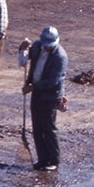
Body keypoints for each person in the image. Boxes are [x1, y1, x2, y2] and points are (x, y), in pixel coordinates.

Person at [21, 26, 69, 171]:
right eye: (45, 45)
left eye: (49, 46)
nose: (46, 48)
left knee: (48, 128)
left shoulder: (60, 56)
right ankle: (42, 159)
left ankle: (53, 161)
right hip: (37, 92)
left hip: (51, 95)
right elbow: (24, 60)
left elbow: (53, 81)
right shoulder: (37, 45)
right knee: (37, 128)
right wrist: (22, 49)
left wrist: (32, 87)